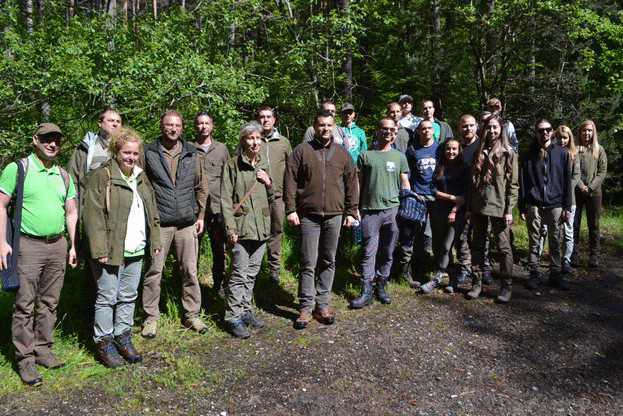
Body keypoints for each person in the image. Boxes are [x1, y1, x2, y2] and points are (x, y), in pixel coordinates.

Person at [0, 123, 78, 386]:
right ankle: (25, 360)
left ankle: (43, 349)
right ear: (36, 140)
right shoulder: (18, 169)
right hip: (28, 245)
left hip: (57, 245)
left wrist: (74, 245)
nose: (52, 144)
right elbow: (1, 204)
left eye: (56, 140)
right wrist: (2, 241)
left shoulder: (63, 175)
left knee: (50, 302)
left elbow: (71, 212)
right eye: (47, 139)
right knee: (24, 304)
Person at [82, 127, 162, 367]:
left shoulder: (140, 175)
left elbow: (152, 210)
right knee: (107, 297)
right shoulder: (102, 176)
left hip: (135, 249)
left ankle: (122, 337)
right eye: (126, 152)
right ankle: (104, 342)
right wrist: (99, 250)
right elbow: (92, 216)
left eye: (135, 153)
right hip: (110, 249)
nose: (131, 157)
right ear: (115, 151)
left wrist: (155, 240)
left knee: (128, 296)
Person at [284, 110, 358, 329]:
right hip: (308, 216)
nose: (325, 129)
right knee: (308, 262)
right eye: (321, 125)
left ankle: (322, 305)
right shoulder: (302, 151)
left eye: (329, 125)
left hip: (334, 215)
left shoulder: (342, 153)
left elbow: (352, 182)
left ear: (334, 127)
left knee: (329, 260)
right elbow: (289, 180)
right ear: (314, 127)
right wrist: (291, 209)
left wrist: (351, 211)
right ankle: (306, 307)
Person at [141, 110, 209, 338]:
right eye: (169, 125)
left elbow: (201, 186)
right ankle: (151, 318)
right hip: (160, 223)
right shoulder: (148, 152)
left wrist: (200, 216)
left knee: (190, 270)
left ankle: (192, 315)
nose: (173, 129)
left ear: (182, 128)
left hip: (187, 223)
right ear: (162, 126)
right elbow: (140, 184)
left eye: (177, 125)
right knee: (154, 271)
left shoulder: (191, 151)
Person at [350, 117, 409, 309]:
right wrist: (355, 208)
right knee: (369, 251)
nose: (389, 133)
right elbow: (357, 183)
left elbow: (404, 182)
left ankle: (382, 286)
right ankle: (366, 292)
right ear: (378, 130)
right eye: (385, 129)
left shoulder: (400, 157)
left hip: (392, 211)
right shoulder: (365, 155)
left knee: (388, 251)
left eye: (392, 130)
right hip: (369, 211)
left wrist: (408, 203)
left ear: (396, 133)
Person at [221, 121, 273, 339]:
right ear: (242, 140)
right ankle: (232, 317)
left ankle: (245, 310)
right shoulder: (232, 165)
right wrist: (230, 228)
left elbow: (272, 197)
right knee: (238, 275)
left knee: (251, 274)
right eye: (251, 138)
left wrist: (268, 182)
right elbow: (224, 199)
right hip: (241, 228)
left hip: (261, 228)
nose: (255, 142)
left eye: (258, 139)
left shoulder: (263, 165)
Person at [466, 113, 518, 303]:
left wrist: (510, 209)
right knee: (478, 246)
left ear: (501, 129)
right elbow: (472, 183)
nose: (492, 131)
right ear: (484, 129)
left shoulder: (508, 152)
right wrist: (469, 207)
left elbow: (513, 184)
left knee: (504, 248)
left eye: (496, 127)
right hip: (479, 205)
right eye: (489, 127)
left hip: (500, 206)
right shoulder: (477, 152)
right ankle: (477, 283)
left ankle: (506, 286)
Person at [519, 119, 572, 291]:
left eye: (548, 130)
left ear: (552, 131)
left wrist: (567, 207)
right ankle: (533, 273)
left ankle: (555, 274)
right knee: (534, 240)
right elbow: (523, 182)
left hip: (556, 203)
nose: (544, 133)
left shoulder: (562, 154)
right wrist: (522, 206)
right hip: (534, 202)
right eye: (541, 130)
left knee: (555, 239)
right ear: (536, 133)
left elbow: (567, 183)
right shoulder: (529, 155)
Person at [420, 138, 468, 294]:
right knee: (440, 246)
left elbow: (466, 195)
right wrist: (452, 198)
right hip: (439, 210)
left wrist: (454, 209)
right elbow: (433, 190)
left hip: (456, 213)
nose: (451, 152)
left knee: (447, 246)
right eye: (448, 149)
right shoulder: (440, 167)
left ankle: (437, 278)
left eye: (454, 149)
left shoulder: (464, 169)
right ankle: (453, 279)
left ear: (459, 150)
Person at [192, 111, 230, 298]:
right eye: (199, 123)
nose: (203, 126)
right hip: (194, 209)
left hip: (217, 207)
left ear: (212, 126)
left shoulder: (221, 149)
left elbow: (228, 178)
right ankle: (192, 289)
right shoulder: (188, 148)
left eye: (207, 123)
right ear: (195, 126)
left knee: (219, 249)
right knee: (193, 251)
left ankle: (219, 286)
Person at [397, 120, 439, 285]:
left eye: (429, 128)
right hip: (417, 197)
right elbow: (406, 173)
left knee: (432, 235)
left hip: (436, 196)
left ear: (433, 131)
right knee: (412, 234)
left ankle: (425, 268)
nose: (427, 131)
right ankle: (405, 271)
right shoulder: (412, 150)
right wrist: (408, 193)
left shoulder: (440, 148)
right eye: (423, 129)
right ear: (419, 131)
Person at [257, 106, 292, 284]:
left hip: (278, 195)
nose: (265, 120)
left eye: (269, 117)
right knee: (257, 232)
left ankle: (274, 269)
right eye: (262, 117)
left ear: (274, 120)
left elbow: (291, 171)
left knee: (276, 231)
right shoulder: (253, 140)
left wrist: (290, 196)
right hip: (257, 197)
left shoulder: (284, 143)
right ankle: (255, 268)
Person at [573, 120, 607, 268]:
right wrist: (581, 186)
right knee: (574, 224)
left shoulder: (599, 150)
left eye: (589, 131)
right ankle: (574, 253)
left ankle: (594, 254)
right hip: (577, 191)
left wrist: (591, 187)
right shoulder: (574, 149)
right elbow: (572, 170)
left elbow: (602, 172)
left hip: (595, 193)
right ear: (580, 132)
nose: (587, 133)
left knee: (593, 224)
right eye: (584, 130)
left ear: (593, 133)